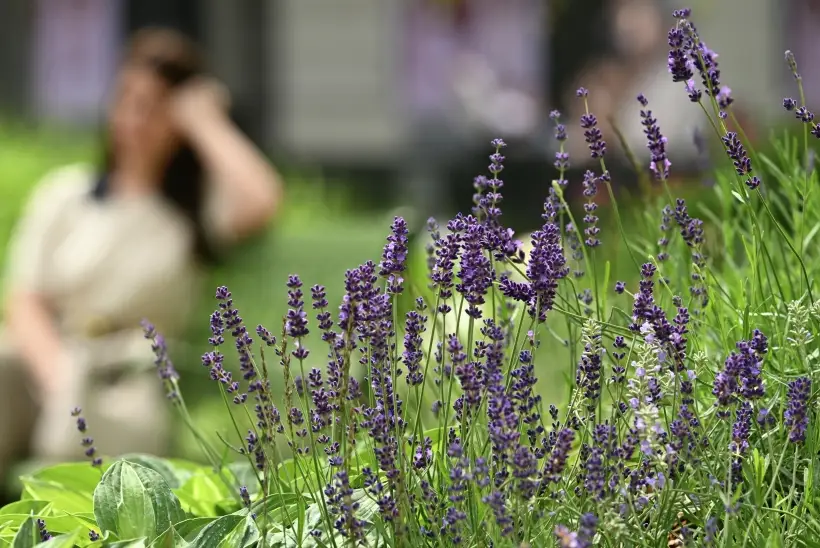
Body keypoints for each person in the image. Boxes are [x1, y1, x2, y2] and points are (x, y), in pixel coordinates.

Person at [0, 28, 283, 486]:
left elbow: (263, 199)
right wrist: (58, 375)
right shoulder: (66, 195)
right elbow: (25, 300)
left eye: (155, 106)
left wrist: (205, 119)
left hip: (125, 375)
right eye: (127, 99)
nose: (136, 118)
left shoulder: (193, 215)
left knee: (90, 460)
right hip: (45, 361)